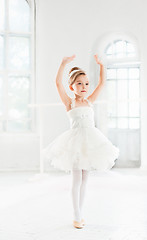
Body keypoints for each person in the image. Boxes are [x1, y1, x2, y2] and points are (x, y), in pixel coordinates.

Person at [42, 54, 119, 229]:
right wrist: (62, 64)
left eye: (86, 84)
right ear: (72, 87)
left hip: (90, 143)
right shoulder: (70, 103)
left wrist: (101, 65)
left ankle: (80, 212)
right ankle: (76, 215)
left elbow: (102, 84)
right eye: (79, 84)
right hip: (75, 143)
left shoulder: (90, 101)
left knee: (85, 179)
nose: (83, 87)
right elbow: (57, 84)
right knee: (76, 179)